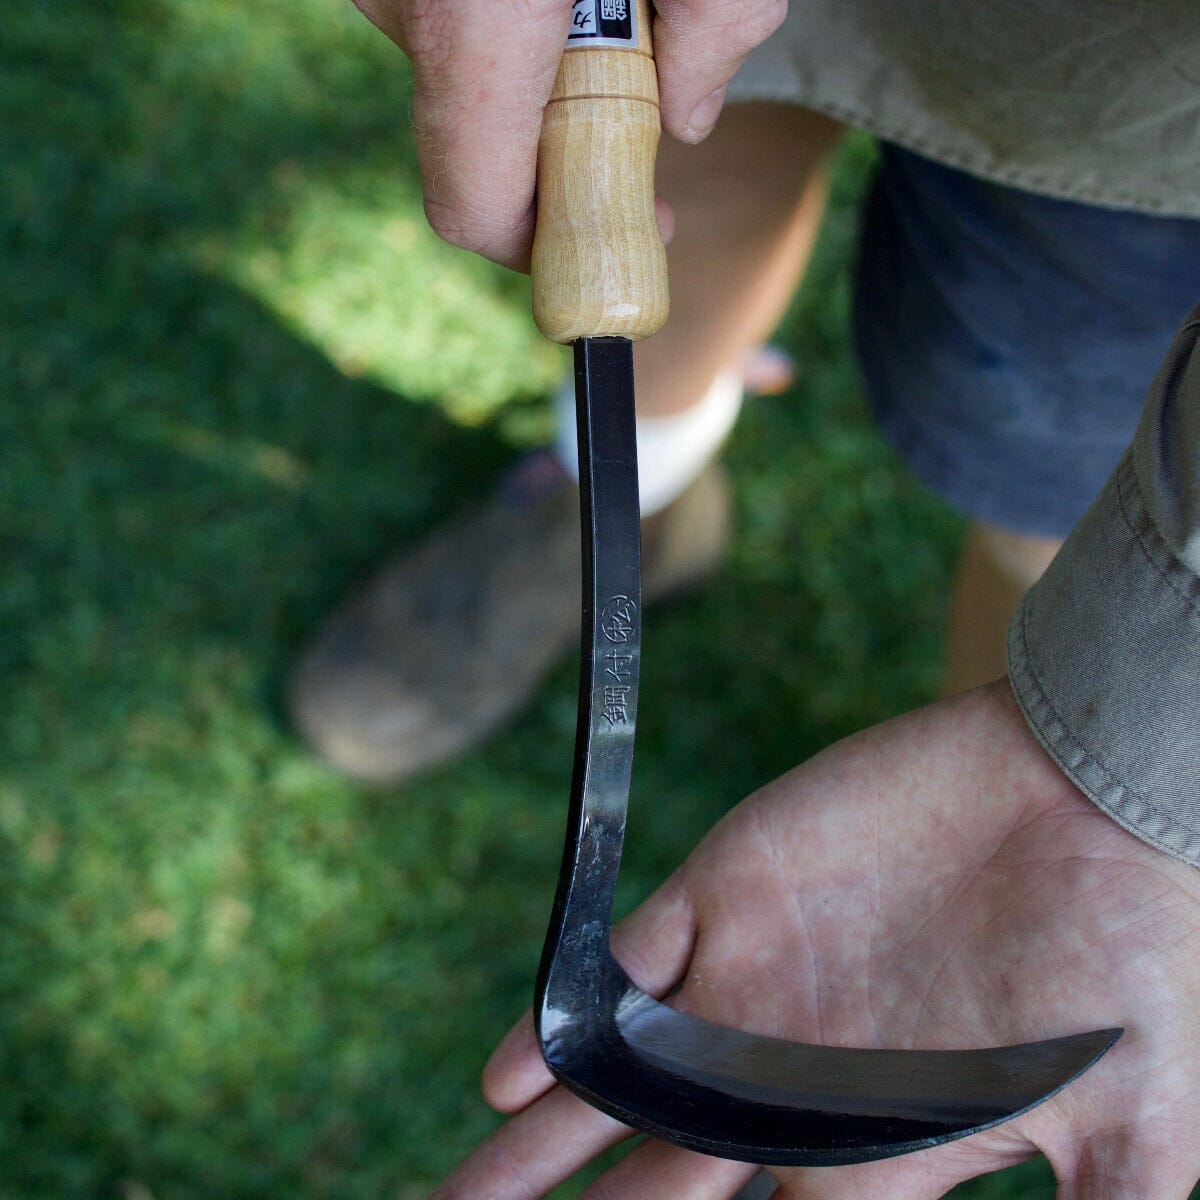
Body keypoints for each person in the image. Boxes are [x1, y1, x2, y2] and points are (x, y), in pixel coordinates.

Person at [302, 2, 1200, 1194]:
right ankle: (633, 493)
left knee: (1053, 453)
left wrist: (1127, 737)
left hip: (1108, 72)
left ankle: (1028, 743)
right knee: (701, 133)